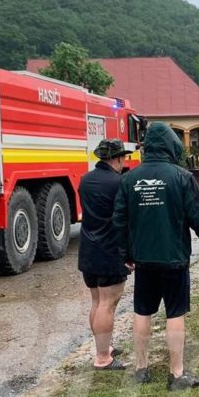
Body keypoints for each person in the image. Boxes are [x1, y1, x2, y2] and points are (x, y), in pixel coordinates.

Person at [114, 122, 199, 389]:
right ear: (171, 145)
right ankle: (176, 374)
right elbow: (197, 216)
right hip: (174, 258)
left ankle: (141, 369)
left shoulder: (129, 179)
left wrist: (126, 254)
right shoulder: (182, 177)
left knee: (142, 311)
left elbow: (119, 220)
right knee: (175, 313)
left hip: (144, 259)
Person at [79, 138, 133, 370]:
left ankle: (104, 347)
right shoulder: (119, 183)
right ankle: (102, 357)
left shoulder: (85, 180)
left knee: (97, 302)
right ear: (118, 158)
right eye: (124, 157)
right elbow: (125, 218)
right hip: (110, 251)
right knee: (108, 304)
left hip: (88, 251)